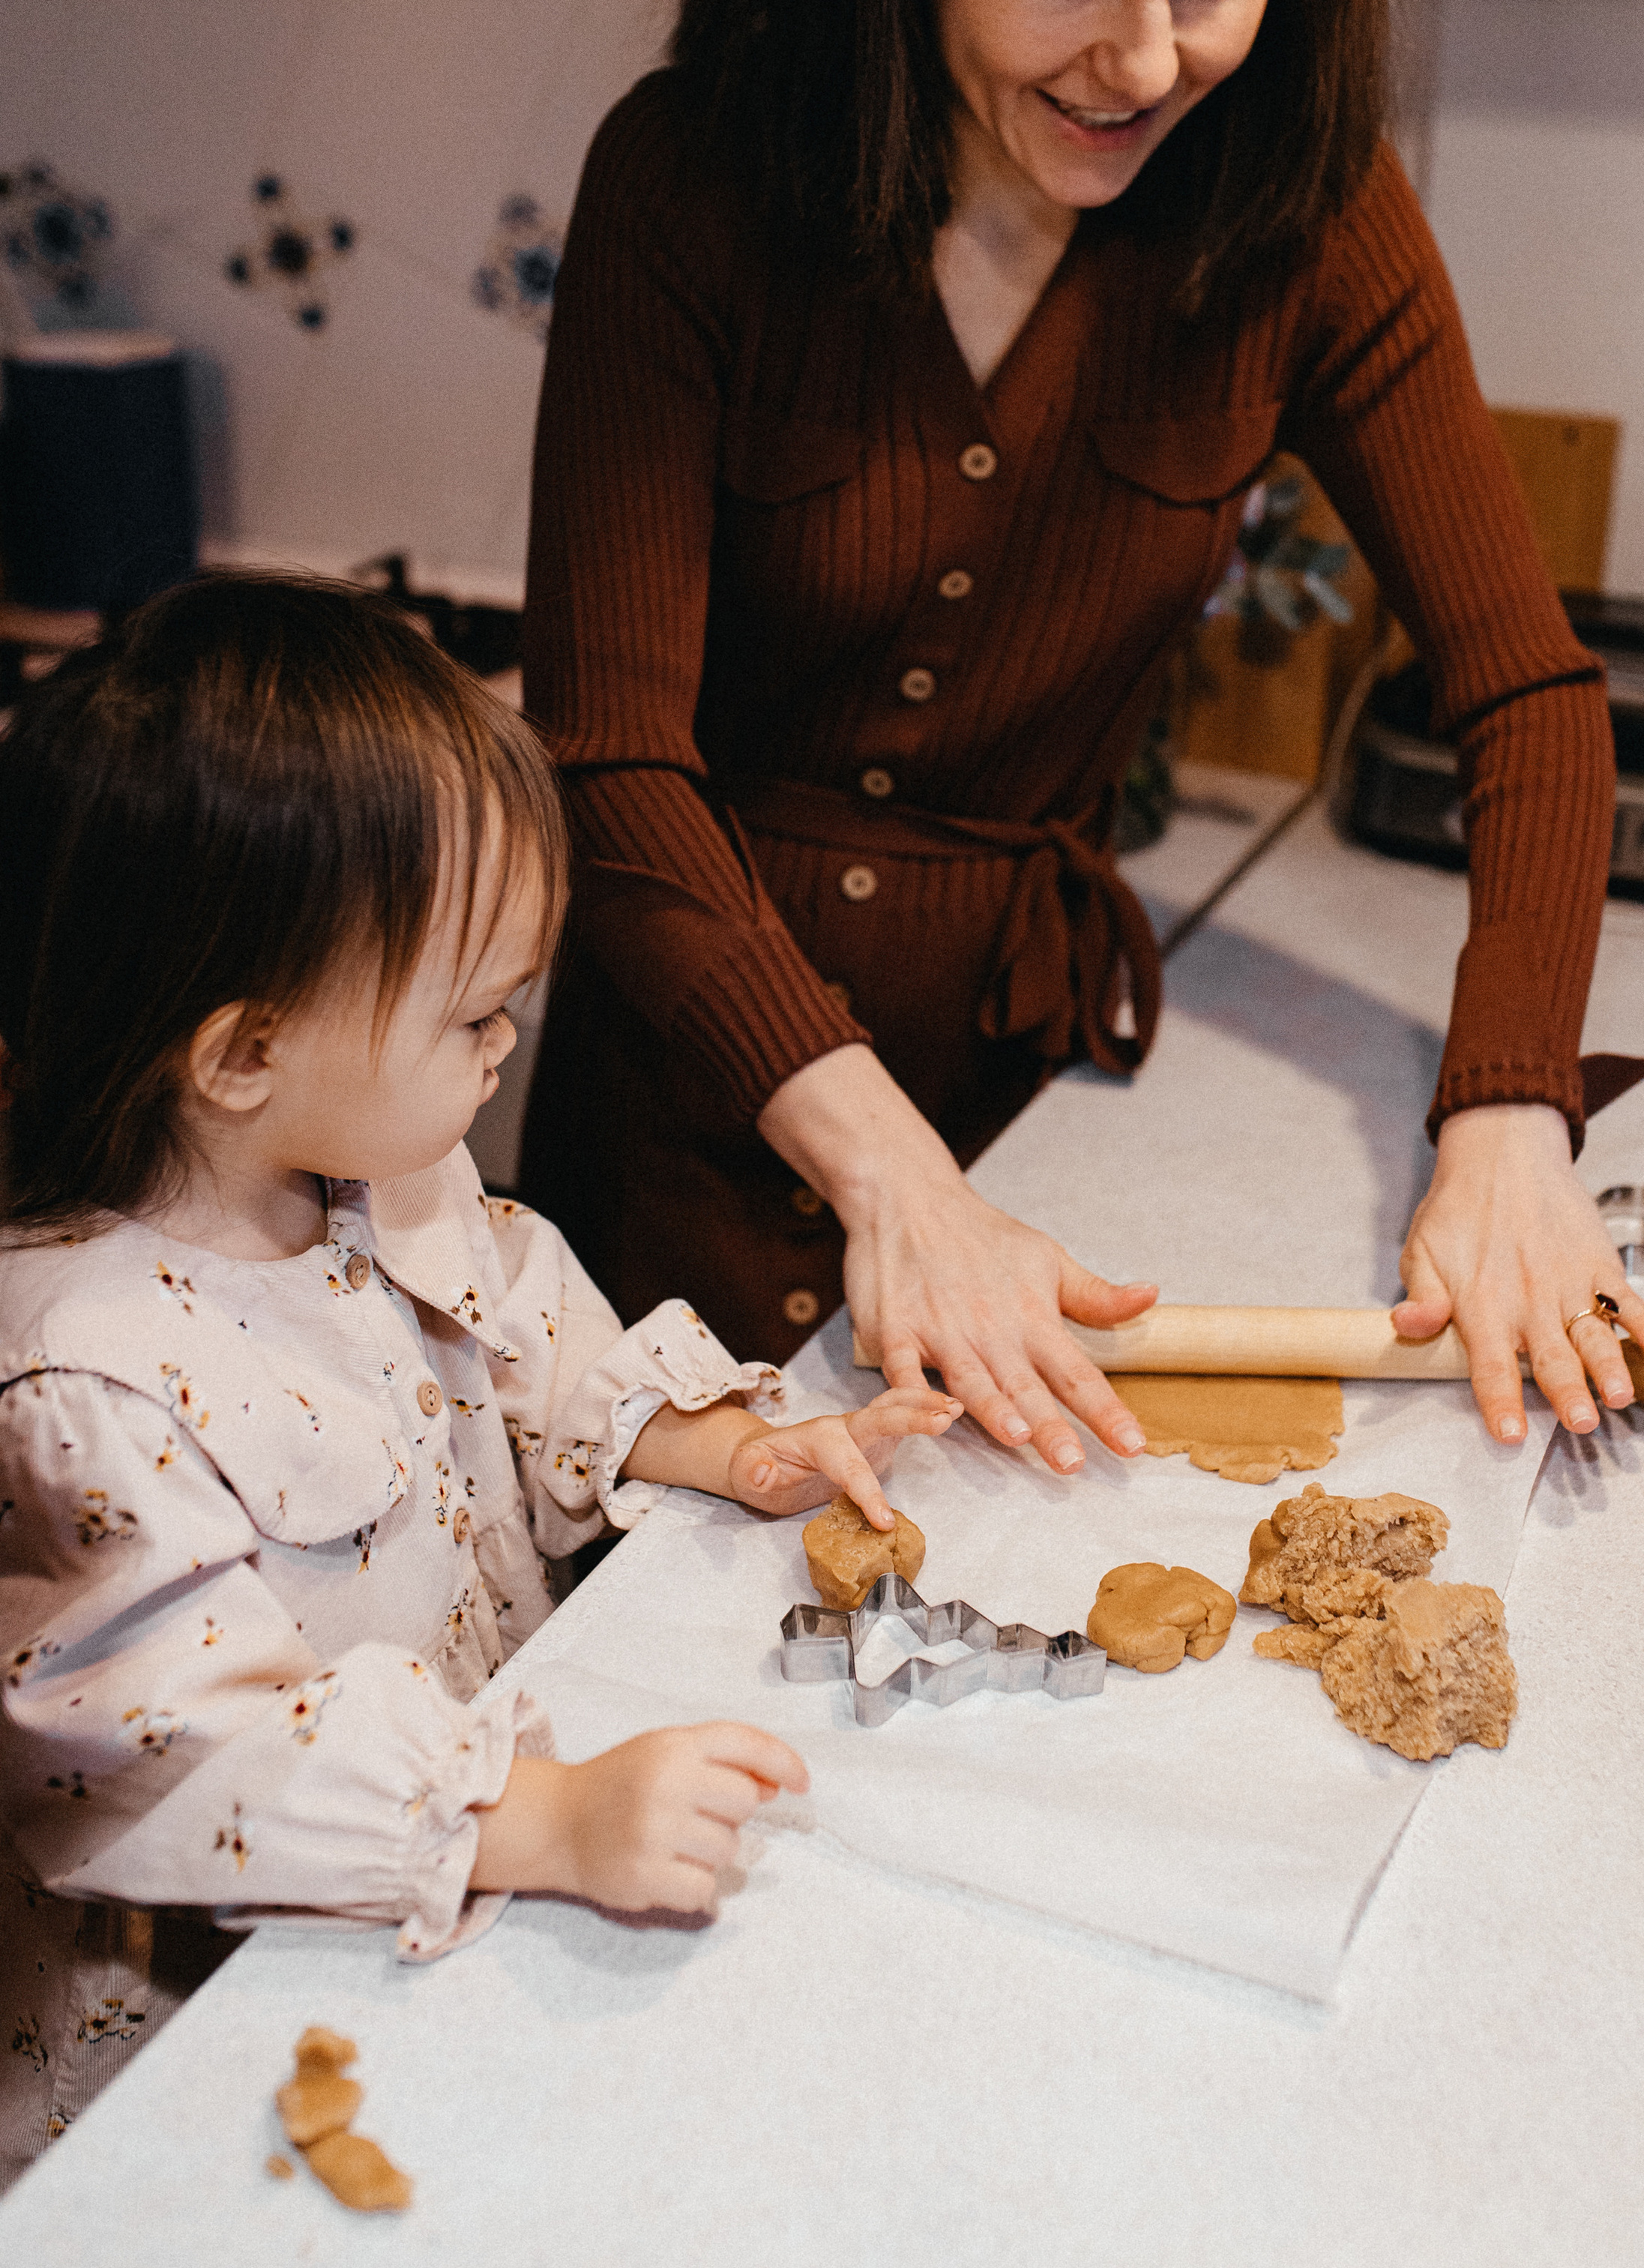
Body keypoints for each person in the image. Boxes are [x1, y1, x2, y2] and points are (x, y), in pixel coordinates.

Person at [521, 0, 1644, 1472]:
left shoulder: (1304, 219)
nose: (1144, 61)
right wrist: (883, 1173)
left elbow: (1527, 699)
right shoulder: (692, 184)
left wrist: (1507, 1125)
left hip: (1014, 1106)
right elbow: (613, 756)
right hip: (685, 1123)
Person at [0, 575, 956, 2184]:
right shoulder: (85, 1387)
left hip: (465, 1871)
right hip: (224, 2021)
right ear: (241, 1054)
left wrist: (720, 1446)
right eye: (473, 1013)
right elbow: (190, 1752)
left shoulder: (384, 1165)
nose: (510, 1042)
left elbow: (532, 1338)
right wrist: (543, 1825)